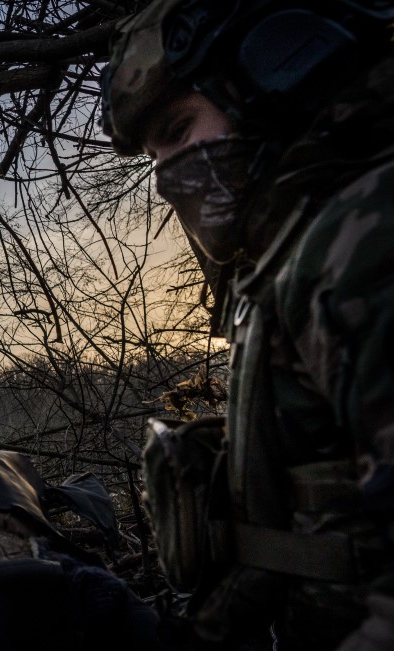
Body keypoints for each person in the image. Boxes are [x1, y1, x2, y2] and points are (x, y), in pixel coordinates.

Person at [100, 1, 393, 650]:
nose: (168, 175)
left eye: (179, 128)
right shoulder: (294, 246)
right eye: (156, 156)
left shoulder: (364, 238)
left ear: (277, 72)